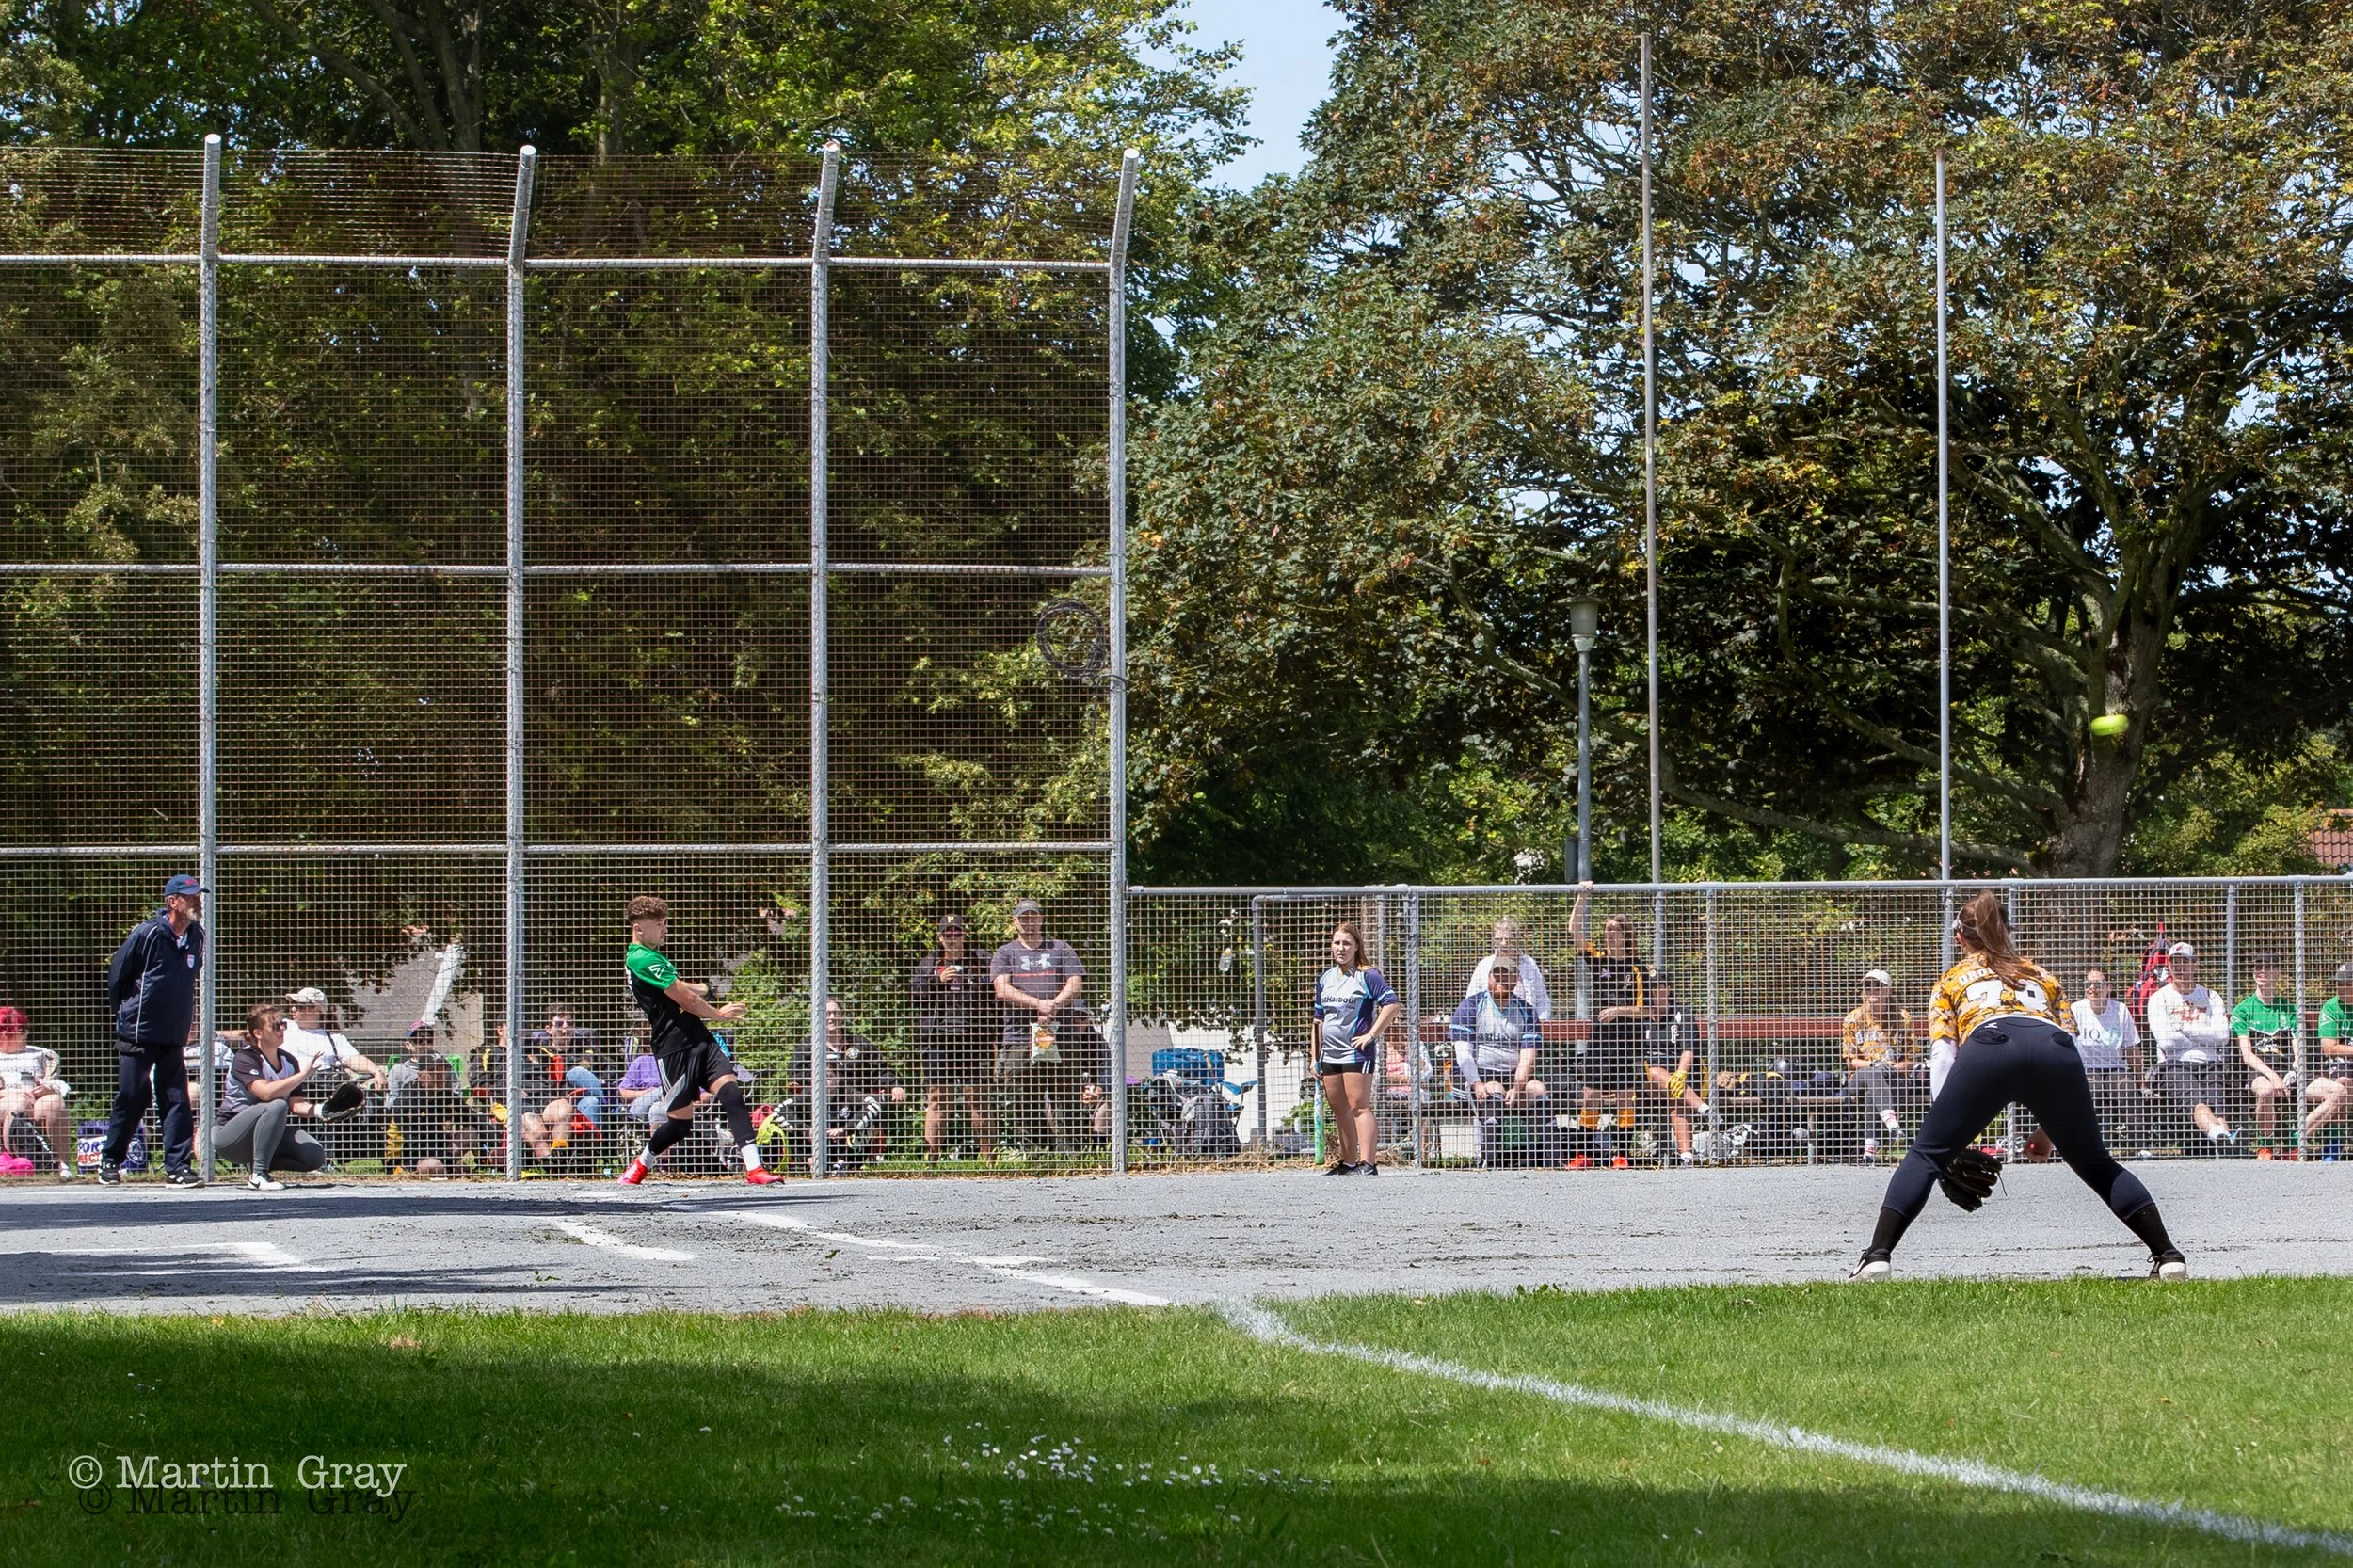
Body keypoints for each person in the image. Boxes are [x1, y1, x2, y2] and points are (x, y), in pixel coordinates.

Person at [1849, 890, 2186, 1282]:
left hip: (1991, 1047)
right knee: (2095, 1163)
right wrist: (2048, 1132)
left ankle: (1876, 1257)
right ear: (2009, 934)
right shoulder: (2041, 975)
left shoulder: (1952, 978)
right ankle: (2169, 1255)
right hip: (2054, 1050)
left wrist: (1946, 1137)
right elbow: (2070, 1049)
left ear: (1960, 938)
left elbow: (1943, 1056)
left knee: (1925, 1155)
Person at [616, 895, 779, 1186]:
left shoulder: (651, 957)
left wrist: (704, 987)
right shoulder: (640, 956)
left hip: (699, 1038)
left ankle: (755, 1169)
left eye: (665, 922)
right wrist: (719, 1015)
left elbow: (679, 985)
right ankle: (642, 1163)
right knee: (680, 1125)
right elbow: (683, 997)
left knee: (731, 1094)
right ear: (638, 928)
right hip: (674, 1046)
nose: (664, 928)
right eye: (657, 924)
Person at [100, 873, 207, 1186]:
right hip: (138, 1031)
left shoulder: (196, 936)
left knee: (176, 1098)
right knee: (132, 1095)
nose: (197, 901)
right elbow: (118, 976)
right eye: (190, 896)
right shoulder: (147, 934)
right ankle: (110, 1161)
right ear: (172, 902)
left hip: (173, 1034)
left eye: (198, 896)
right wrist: (127, 1014)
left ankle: (177, 1167)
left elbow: (188, 979)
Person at [989, 899, 1096, 1152]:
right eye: (1023, 917)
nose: (1029, 921)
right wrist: (1038, 1004)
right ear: (1015, 922)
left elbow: (1075, 984)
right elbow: (1001, 989)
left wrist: (1053, 1005)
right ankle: (1035, 1153)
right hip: (1020, 1037)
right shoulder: (1006, 952)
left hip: (1063, 1034)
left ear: (1041, 919)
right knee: (1024, 1096)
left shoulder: (1061, 948)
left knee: (1066, 1094)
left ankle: (1072, 1153)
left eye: (1033, 916)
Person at [1567, 880, 1657, 1166]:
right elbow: (1575, 933)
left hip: (1628, 1041)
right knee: (1590, 1092)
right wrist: (1582, 897)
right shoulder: (1598, 959)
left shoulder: (1638, 968)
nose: (1608, 935)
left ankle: (1622, 1155)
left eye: (1613, 931)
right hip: (1600, 1039)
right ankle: (1584, 1155)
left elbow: (1649, 1011)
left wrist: (1619, 1010)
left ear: (1625, 935)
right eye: (1606, 930)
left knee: (1624, 1095)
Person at [1311, 920, 1400, 1175]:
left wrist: (1371, 1035)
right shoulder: (1326, 978)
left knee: (1358, 1106)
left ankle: (1368, 1163)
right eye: (1337, 943)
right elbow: (1318, 1020)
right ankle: (1348, 1162)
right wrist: (1314, 1056)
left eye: (1347, 943)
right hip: (1329, 1053)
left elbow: (1392, 1005)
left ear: (1356, 946)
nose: (1341, 948)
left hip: (1356, 1052)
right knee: (1339, 1109)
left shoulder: (1367, 975)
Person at [213, 1002, 329, 1191]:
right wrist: (303, 1075)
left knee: (314, 1156)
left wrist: (321, 1110)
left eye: (282, 1024)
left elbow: (296, 1104)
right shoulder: (245, 1058)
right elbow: (265, 1093)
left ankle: (258, 1164)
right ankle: (259, 1174)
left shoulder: (289, 1061)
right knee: (275, 1105)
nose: (282, 1029)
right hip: (230, 1137)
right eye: (275, 1026)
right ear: (258, 1033)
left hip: (265, 1134)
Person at [789, 999, 909, 1172]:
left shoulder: (859, 1043)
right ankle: (809, 1158)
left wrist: (894, 1085)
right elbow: (795, 1074)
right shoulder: (808, 1046)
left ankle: (849, 1161)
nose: (831, 1018)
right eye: (827, 1013)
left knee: (876, 1109)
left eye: (836, 1013)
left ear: (842, 1016)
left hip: (855, 1104)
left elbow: (881, 1069)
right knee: (790, 1111)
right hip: (818, 1105)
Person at [1447, 958, 1545, 1164]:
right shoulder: (1471, 1006)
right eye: (1496, 974)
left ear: (1516, 980)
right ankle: (1490, 1158)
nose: (1501, 979)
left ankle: (1551, 1157)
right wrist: (1476, 1082)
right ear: (1488, 978)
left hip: (1512, 1076)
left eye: (1507, 974)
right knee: (1494, 1089)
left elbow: (1528, 1054)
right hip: (1476, 1076)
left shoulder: (1527, 1011)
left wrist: (1518, 1087)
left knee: (1537, 1088)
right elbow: (1463, 1052)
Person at [912, 915, 993, 1161]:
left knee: (978, 1097)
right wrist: (937, 980)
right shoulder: (928, 964)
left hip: (974, 1039)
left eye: (957, 933)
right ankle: (932, 1160)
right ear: (940, 937)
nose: (953, 938)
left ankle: (990, 1160)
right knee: (938, 1098)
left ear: (964, 935)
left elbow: (994, 994)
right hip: (939, 1040)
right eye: (948, 933)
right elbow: (914, 997)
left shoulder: (981, 961)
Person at [2146, 941, 2238, 1149]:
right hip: (2174, 1065)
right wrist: (2205, 1035)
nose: (2179, 968)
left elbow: (2222, 1036)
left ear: (2195, 966)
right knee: (2198, 1103)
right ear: (2168, 966)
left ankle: (2223, 1141)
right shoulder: (2158, 998)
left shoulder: (2210, 996)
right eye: (2175, 963)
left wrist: (2183, 1028)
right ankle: (2225, 1139)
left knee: (2219, 1108)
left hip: (2211, 1062)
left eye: (2185, 962)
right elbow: (2167, 1042)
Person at [1842, 969, 1921, 1161]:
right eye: (1868, 986)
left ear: (1888, 991)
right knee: (1873, 1073)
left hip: (1894, 1080)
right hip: (1859, 1079)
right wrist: (1873, 1064)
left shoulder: (1902, 1018)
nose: (1872, 990)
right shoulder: (1853, 1019)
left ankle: (1869, 1150)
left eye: (1878, 986)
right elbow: (1851, 1060)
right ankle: (1892, 1123)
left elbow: (1912, 1059)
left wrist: (1893, 1068)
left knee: (1874, 1090)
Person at [2069, 968, 2147, 1156]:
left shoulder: (2120, 1010)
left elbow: (2132, 1049)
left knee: (2128, 1090)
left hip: (2115, 1067)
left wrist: (2141, 1082)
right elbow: (2067, 1045)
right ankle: (2095, 1148)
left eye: (2098, 984)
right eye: (2088, 984)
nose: (2092, 988)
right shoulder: (2076, 1010)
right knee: (2092, 1093)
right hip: (2087, 1068)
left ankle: (2141, 1147)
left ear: (2108, 988)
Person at [2231, 955, 2299, 1151]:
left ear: (2278, 973)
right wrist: (2273, 1076)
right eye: (2258, 967)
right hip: (2259, 1072)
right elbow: (2247, 1055)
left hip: (2288, 1071)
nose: (2261, 971)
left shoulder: (2289, 1008)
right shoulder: (2243, 1010)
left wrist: (2295, 1069)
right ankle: (2266, 1146)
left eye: (2268, 967)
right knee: (2267, 1090)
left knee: (2336, 1092)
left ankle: (2295, 1142)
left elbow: (2298, 1046)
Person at [1641, 976, 1709, 1164]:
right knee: (1653, 1072)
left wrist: (1679, 1075)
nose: (1656, 991)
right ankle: (1705, 1109)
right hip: (1649, 1083)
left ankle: (1686, 1156)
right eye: (1652, 987)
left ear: (1669, 988)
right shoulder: (1640, 1015)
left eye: (1661, 986)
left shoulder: (1682, 1013)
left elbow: (1688, 1050)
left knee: (1677, 1097)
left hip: (1685, 1077)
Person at [0, 1008, 72, 1177]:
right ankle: (15, 1163)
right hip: (6, 1100)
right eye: (21, 1030)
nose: (26, 1033)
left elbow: (60, 1084)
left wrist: (48, 1087)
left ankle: (63, 1166)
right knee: (17, 1102)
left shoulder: (42, 1054)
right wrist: (9, 1093)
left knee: (55, 1102)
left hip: (36, 1100)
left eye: (26, 1028)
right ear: (4, 1033)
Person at [1463, 919, 1553, 1019]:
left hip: (1527, 1027)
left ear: (1516, 939)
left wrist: (1539, 1025)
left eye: (1508, 939)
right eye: (1499, 939)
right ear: (1493, 941)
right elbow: (1470, 1000)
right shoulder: (1484, 966)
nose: (1503, 944)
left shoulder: (1529, 964)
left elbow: (1542, 1000)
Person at [2304, 963, 2353, 1145]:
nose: (2341, 988)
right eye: (2339, 984)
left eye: (2347, 983)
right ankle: (2333, 1143)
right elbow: (2329, 1048)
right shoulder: (2331, 1007)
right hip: (2341, 1065)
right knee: (2343, 1085)